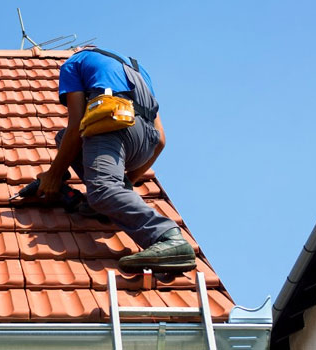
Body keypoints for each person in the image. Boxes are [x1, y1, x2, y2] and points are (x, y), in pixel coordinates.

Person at [36, 47, 196, 273]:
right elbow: (161, 140)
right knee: (63, 139)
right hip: (144, 143)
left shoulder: (73, 63)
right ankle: (113, 200)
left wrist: (53, 176)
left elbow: (75, 127)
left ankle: (168, 237)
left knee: (101, 190)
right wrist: (127, 181)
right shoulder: (137, 69)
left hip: (113, 126)